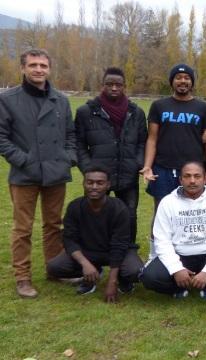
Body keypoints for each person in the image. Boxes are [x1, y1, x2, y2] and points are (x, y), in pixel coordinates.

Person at [0, 48, 76, 298]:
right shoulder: (8, 99)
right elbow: (2, 138)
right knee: (23, 228)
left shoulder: (61, 100)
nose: (38, 69)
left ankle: (55, 269)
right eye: (33, 65)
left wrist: (68, 158)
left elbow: (70, 135)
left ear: (49, 69)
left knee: (54, 224)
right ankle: (22, 277)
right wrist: (24, 160)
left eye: (43, 65)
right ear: (23, 68)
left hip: (55, 171)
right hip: (25, 174)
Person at [140, 161, 206, 299]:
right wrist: (176, 269)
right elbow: (162, 240)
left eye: (197, 176)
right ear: (180, 179)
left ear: (204, 179)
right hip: (179, 254)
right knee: (150, 277)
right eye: (187, 176)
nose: (192, 181)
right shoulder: (168, 202)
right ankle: (178, 288)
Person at [46, 166, 144, 302]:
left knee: (135, 271)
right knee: (54, 267)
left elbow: (119, 245)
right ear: (83, 184)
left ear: (108, 185)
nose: (94, 187)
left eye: (100, 183)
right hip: (88, 252)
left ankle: (123, 279)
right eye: (90, 182)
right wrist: (85, 263)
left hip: (117, 251)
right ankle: (91, 275)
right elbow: (69, 240)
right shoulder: (75, 207)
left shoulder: (119, 208)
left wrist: (112, 281)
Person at [75, 67, 148, 246]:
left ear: (124, 86)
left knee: (129, 214)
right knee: (94, 213)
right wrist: (89, 169)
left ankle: (127, 250)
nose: (114, 88)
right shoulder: (86, 112)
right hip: (97, 176)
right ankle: (93, 250)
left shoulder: (136, 113)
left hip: (127, 174)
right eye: (110, 84)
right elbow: (78, 144)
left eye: (118, 85)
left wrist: (137, 163)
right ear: (103, 85)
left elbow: (142, 142)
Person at [140, 64, 206, 210]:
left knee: (190, 211)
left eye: (187, 78)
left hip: (192, 170)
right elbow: (152, 138)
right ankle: (157, 235)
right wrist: (148, 166)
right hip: (163, 168)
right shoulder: (159, 106)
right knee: (161, 210)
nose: (183, 81)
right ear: (172, 81)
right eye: (178, 77)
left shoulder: (203, 108)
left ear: (192, 82)